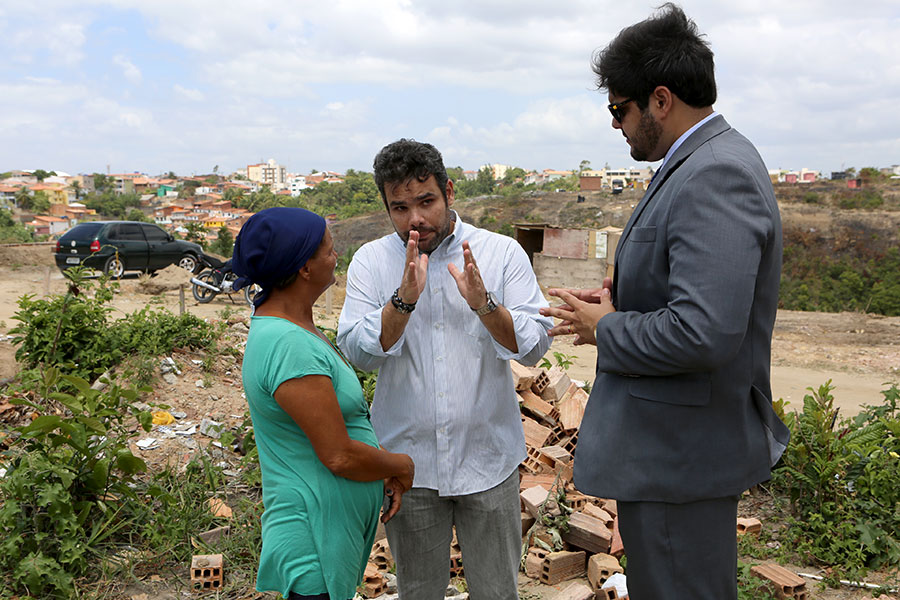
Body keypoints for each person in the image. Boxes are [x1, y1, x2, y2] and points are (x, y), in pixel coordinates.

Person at [539, 5, 790, 600]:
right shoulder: (696, 164)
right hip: (670, 455)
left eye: (618, 110)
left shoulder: (715, 174)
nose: (616, 126)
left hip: (680, 457)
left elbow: (704, 331)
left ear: (660, 100)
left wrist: (608, 328)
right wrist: (614, 304)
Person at [337, 139, 552, 599]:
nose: (415, 218)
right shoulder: (372, 262)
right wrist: (402, 303)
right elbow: (357, 352)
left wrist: (485, 305)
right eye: (400, 208)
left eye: (426, 201)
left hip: (489, 462)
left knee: (498, 592)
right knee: (419, 592)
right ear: (386, 206)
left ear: (449, 191)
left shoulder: (501, 253)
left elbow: (534, 347)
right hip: (408, 469)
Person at [233, 207, 414, 600]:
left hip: (325, 533)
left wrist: (377, 468)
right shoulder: (290, 345)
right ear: (304, 268)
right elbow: (339, 455)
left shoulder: (293, 328)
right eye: (329, 250)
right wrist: (400, 465)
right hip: (313, 539)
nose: (336, 257)